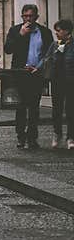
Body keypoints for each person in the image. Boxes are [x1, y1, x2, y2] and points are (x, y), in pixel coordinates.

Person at [4, 3, 53, 149]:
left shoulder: (44, 32)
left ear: (36, 17)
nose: (27, 19)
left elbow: (49, 52)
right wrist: (20, 35)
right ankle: (20, 136)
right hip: (20, 74)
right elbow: (8, 49)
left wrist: (40, 67)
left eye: (30, 16)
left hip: (36, 74)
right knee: (20, 107)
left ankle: (32, 137)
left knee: (34, 108)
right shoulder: (15, 30)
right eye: (25, 16)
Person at [48, 19, 74, 150]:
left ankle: (71, 136)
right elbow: (48, 59)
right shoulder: (54, 45)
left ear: (67, 31)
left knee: (70, 109)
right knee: (56, 109)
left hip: (70, 81)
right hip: (57, 81)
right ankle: (57, 133)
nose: (57, 33)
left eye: (59, 30)